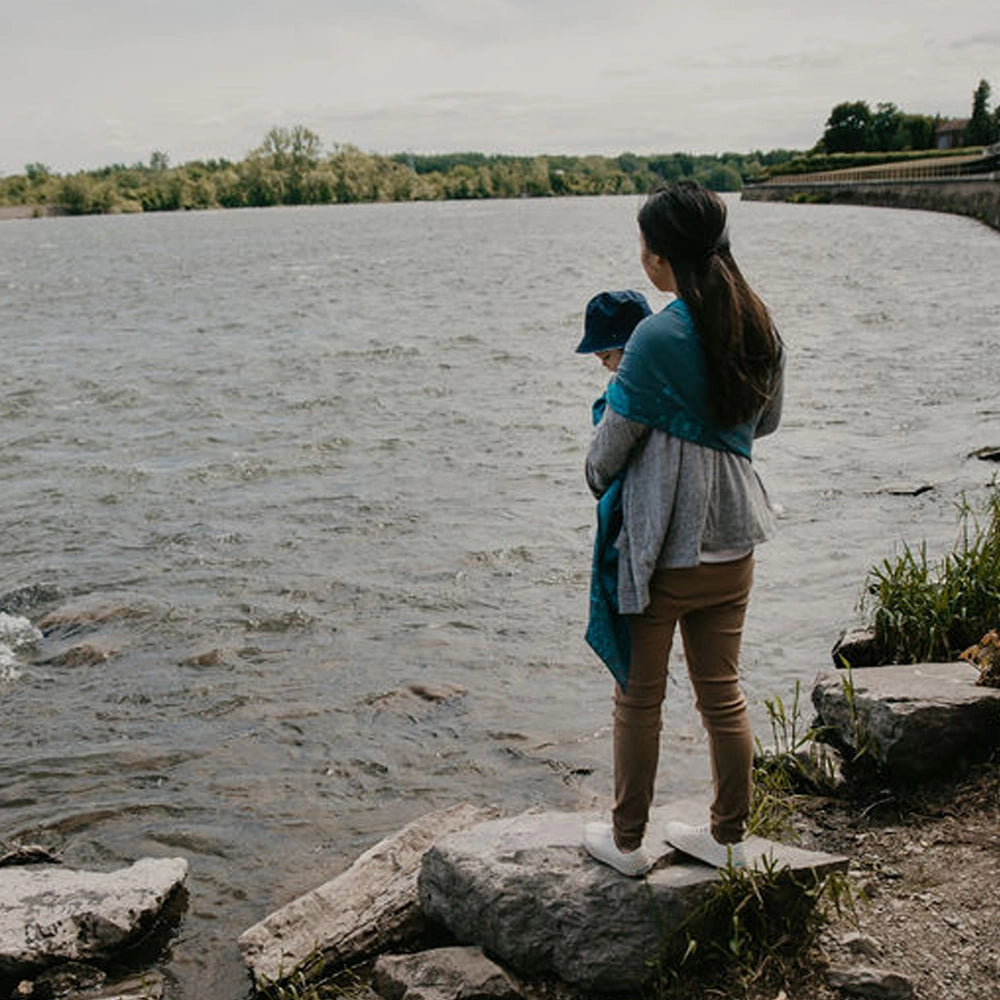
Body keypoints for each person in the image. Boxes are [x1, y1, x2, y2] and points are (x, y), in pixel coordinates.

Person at [581, 180, 784, 877]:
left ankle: (628, 842)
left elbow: (606, 460)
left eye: (645, 247)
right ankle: (729, 837)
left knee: (638, 700)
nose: (642, 259)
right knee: (722, 695)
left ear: (660, 258)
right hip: (736, 539)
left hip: (668, 549)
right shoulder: (758, 319)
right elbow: (765, 424)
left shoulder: (657, 335)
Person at [576, 290, 652, 688]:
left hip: (648, 542)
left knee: (636, 690)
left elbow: (601, 466)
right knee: (718, 688)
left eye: (607, 354)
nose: (602, 363)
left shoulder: (629, 387)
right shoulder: (680, 371)